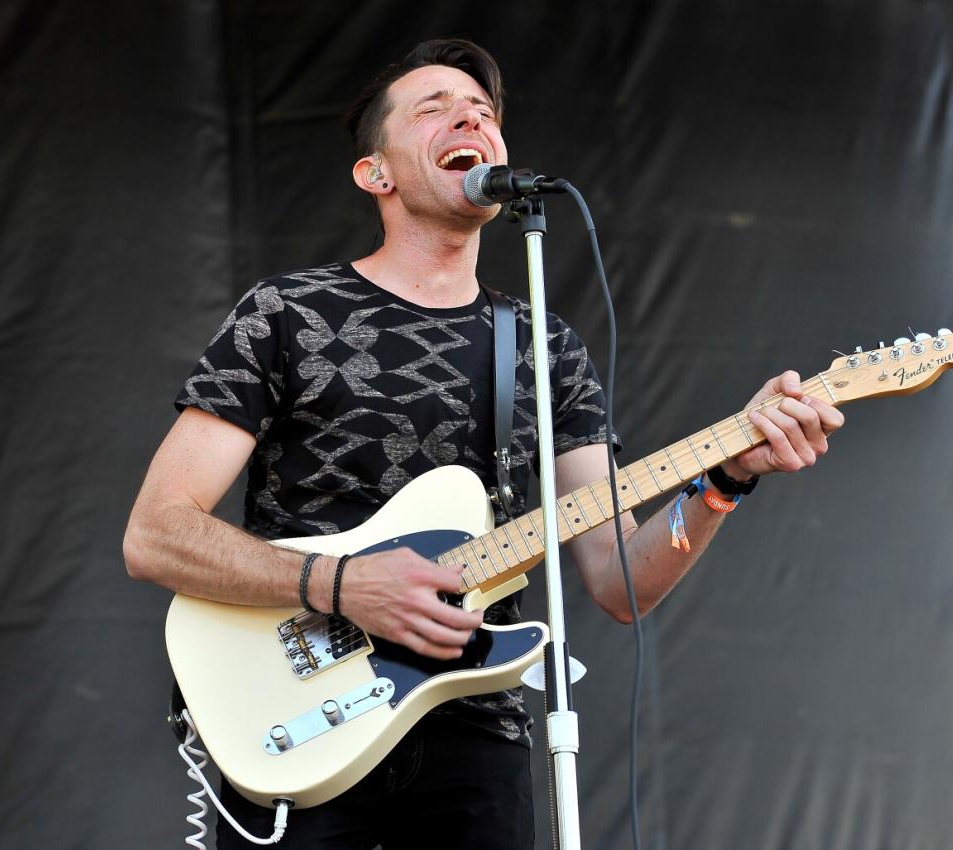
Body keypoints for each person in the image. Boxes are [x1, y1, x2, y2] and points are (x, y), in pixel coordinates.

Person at [123, 38, 843, 849]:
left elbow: (618, 582)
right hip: (304, 709)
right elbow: (156, 534)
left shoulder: (544, 345)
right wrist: (341, 584)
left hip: (473, 731)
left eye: (484, 112)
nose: (471, 115)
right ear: (376, 173)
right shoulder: (288, 313)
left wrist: (723, 481)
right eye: (433, 108)